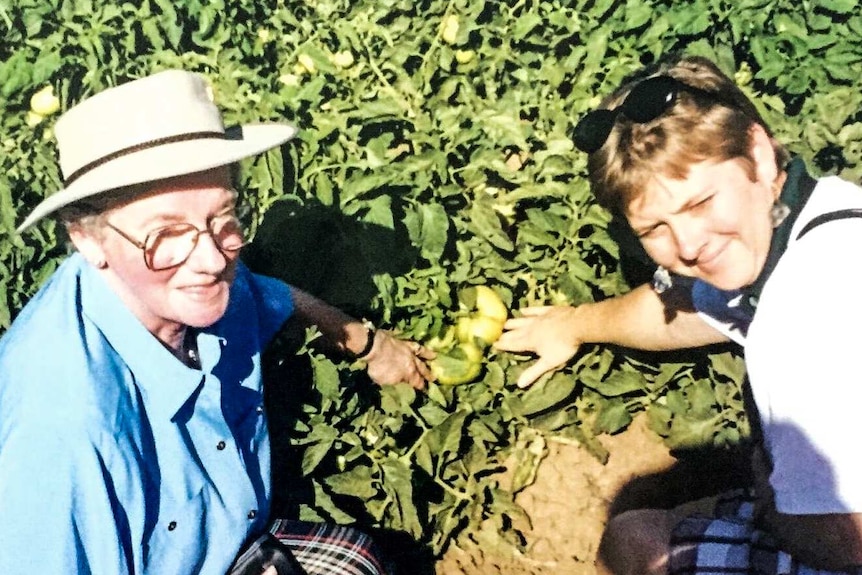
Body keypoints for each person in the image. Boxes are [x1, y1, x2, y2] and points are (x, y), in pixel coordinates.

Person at [0, 69, 434, 575]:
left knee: (362, 560)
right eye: (166, 232)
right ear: (88, 239)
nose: (210, 258)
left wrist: (368, 343)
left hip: (229, 546)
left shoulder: (178, 284)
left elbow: (268, 294)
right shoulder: (65, 433)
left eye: (223, 217)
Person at [495, 54, 862, 574]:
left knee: (637, 541)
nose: (688, 245)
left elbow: (849, 544)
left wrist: (771, 500)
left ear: (758, 155)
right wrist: (573, 323)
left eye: (699, 203)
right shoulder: (824, 213)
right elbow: (689, 305)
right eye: (654, 230)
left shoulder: (796, 323)